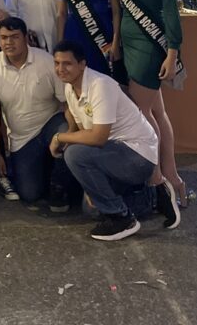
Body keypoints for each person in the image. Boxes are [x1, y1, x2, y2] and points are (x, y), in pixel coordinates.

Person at [51, 40, 178, 239]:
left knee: (74, 153)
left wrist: (59, 137)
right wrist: (89, 187)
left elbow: (97, 137)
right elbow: (85, 130)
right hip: (114, 153)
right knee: (92, 210)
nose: (61, 69)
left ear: (82, 64)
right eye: (57, 63)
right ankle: (153, 197)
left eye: (67, 63)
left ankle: (122, 218)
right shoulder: (70, 88)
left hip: (138, 155)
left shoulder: (100, 85)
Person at [115, 0, 186, 208]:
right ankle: (172, 175)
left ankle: (155, 179)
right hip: (130, 43)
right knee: (158, 110)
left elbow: (170, 9)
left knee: (141, 113)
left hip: (149, 44)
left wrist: (172, 52)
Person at [0, 17, 73, 210]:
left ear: (25, 38)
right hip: (22, 139)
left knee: (66, 134)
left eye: (14, 37)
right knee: (29, 194)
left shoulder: (47, 61)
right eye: (4, 37)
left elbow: (67, 103)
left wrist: (73, 133)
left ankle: (60, 186)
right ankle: (47, 169)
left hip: (51, 124)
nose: (8, 42)